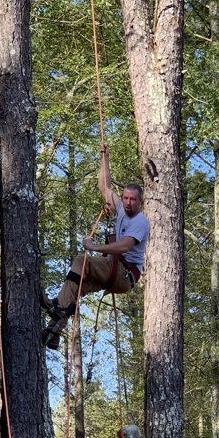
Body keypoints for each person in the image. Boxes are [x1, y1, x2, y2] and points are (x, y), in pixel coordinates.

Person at [43, 144, 149, 350]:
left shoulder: (140, 222)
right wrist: (105, 158)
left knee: (81, 261)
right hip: (114, 269)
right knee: (75, 287)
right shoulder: (120, 208)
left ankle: (56, 307)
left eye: (133, 200)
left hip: (123, 273)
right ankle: (53, 332)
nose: (127, 203)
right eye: (125, 198)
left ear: (140, 202)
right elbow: (105, 187)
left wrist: (94, 246)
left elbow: (125, 246)